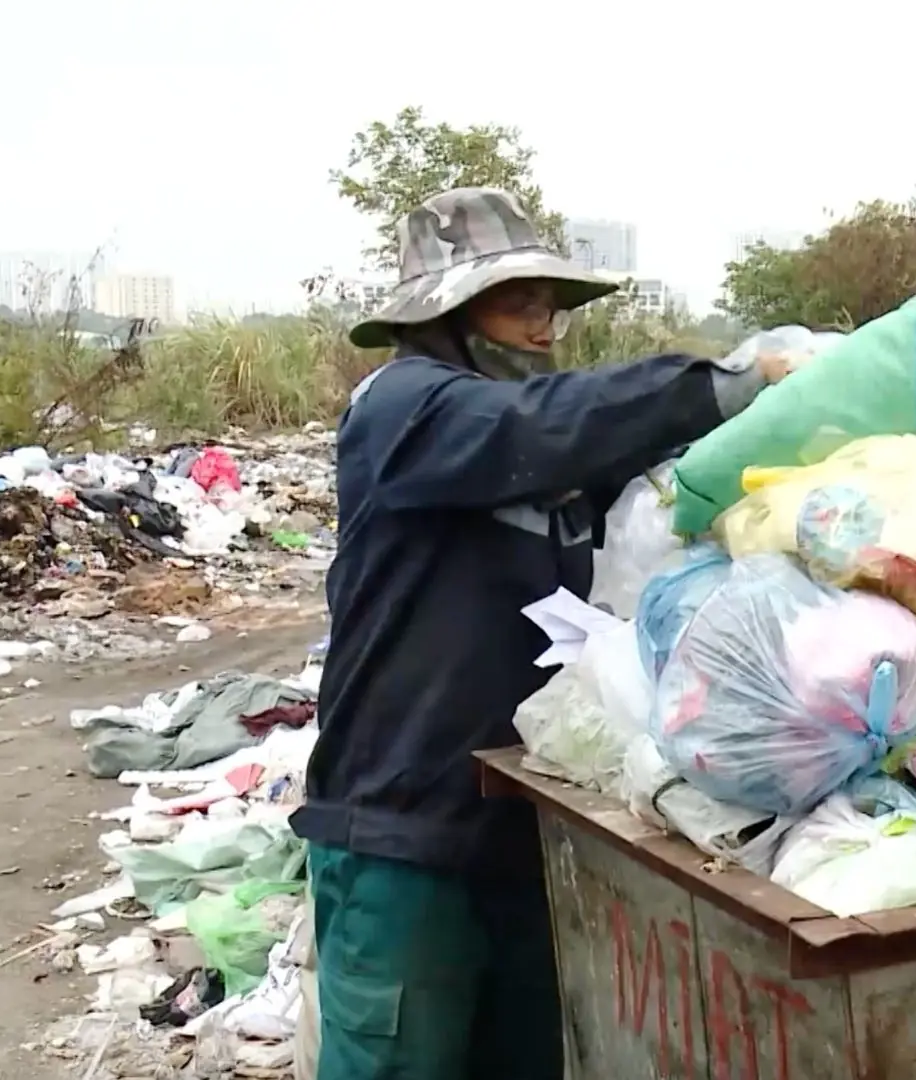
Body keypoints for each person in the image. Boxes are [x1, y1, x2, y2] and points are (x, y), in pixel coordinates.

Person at [290, 187, 787, 1079]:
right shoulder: (405, 410)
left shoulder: (533, 449)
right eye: (518, 302)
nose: (544, 325)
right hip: (401, 834)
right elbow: (545, 424)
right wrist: (725, 383)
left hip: (519, 830)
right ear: (443, 313)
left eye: (551, 304)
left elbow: (624, 469)